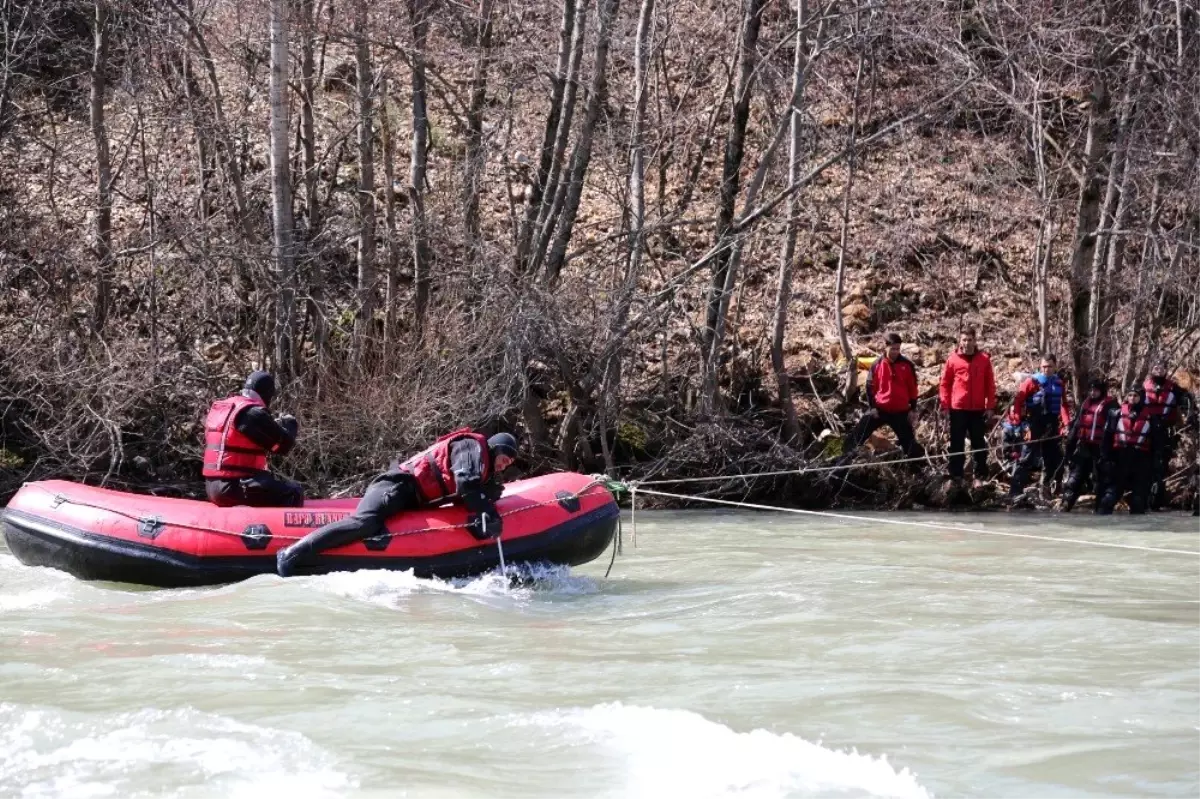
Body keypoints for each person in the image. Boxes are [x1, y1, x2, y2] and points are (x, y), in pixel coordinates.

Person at [275, 429, 519, 577]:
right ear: (495, 448)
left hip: (413, 499)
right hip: (396, 486)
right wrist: (486, 510)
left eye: (508, 464)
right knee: (365, 523)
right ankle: (290, 554)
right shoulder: (470, 446)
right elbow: (465, 482)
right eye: (504, 459)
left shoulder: (483, 467)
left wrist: (488, 500)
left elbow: (473, 490)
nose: (504, 465)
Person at [203, 370, 304, 508]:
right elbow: (282, 446)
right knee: (293, 492)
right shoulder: (253, 413)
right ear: (268, 394)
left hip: (212, 488)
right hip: (233, 488)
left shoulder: (229, 407)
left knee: (267, 482)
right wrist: (290, 426)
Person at [844, 333, 923, 460]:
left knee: (910, 445)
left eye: (898, 349)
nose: (896, 352)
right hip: (879, 410)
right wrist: (873, 407)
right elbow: (870, 387)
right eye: (893, 349)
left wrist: (913, 409)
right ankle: (843, 460)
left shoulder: (907, 365)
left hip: (900, 412)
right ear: (885, 347)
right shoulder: (877, 365)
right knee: (857, 435)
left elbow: (913, 389)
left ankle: (919, 470)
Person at [1007, 355, 1073, 502]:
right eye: (1043, 366)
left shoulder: (1059, 383)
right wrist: (1017, 421)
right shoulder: (1031, 382)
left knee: (1052, 459)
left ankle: (1046, 489)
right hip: (1034, 423)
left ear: (1054, 366)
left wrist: (1067, 423)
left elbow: (1063, 406)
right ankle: (1015, 491)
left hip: (1052, 424)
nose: (1046, 369)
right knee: (1026, 457)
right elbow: (1018, 401)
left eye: (1049, 366)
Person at [938, 328, 996, 488]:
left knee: (979, 444)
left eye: (970, 339)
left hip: (977, 409)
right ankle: (956, 476)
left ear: (975, 341)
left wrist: (990, 405)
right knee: (957, 444)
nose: (967, 343)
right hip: (958, 409)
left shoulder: (984, 360)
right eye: (964, 339)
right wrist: (944, 405)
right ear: (959, 341)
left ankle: (980, 476)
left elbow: (990, 385)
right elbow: (944, 384)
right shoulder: (953, 360)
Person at [1098, 387, 1162, 515]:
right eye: (1130, 395)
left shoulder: (1151, 417)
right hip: (1120, 458)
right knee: (1108, 499)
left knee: (1138, 501)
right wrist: (1106, 458)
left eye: (1135, 396)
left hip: (1141, 459)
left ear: (1141, 398)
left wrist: (1156, 463)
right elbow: (1107, 439)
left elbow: (1157, 443)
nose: (1132, 398)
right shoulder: (1115, 414)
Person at [1141, 361, 1195, 509]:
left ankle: (1156, 500)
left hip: (1165, 430)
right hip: (1146, 430)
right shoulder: (1144, 387)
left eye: (1161, 368)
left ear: (1166, 371)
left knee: (1160, 465)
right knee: (1144, 464)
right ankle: (1141, 498)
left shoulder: (1173, 388)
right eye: (1155, 368)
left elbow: (1187, 399)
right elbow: (1133, 404)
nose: (1158, 370)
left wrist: (1189, 416)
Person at [1060, 378, 1118, 512]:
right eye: (1091, 390)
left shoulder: (1111, 405)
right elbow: (1076, 426)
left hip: (1102, 450)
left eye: (1096, 390)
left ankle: (1100, 512)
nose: (1092, 393)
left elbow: (1114, 430)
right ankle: (1064, 506)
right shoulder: (1085, 404)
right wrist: (1070, 446)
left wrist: (1112, 453)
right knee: (1074, 480)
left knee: (1102, 482)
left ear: (1102, 391)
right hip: (1085, 447)